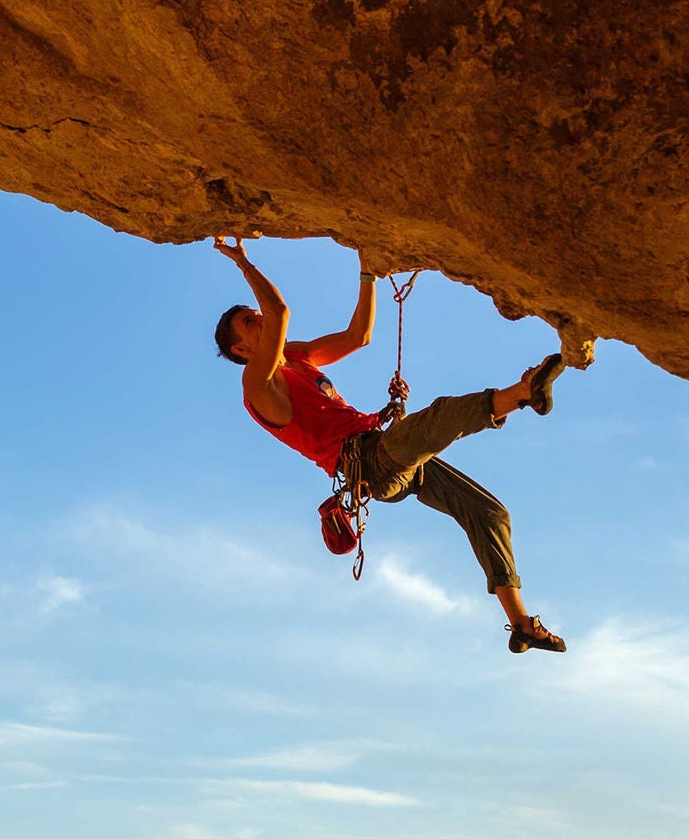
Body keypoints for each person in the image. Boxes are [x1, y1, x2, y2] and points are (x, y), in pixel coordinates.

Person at [212, 236, 567, 653]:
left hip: (382, 450)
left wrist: (369, 270)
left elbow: (359, 335)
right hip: (369, 463)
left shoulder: (296, 358)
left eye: (254, 315)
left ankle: (521, 623)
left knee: (488, 511)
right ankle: (523, 392)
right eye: (251, 322)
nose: (260, 319)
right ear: (241, 348)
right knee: (440, 417)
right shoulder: (257, 384)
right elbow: (279, 311)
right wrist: (243, 263)